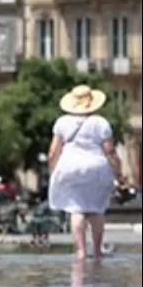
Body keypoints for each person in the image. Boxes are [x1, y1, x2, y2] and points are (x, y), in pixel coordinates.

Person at [47, 84, 126, 259]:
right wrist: (118, 173)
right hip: (96, 168)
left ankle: (81, 252)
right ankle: (97, 251)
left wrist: (53, 170)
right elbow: (110, 151)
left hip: (69, 167)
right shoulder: (100, 122)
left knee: (77, 210)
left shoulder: (62, 122)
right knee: (96, 210)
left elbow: (53, 152)